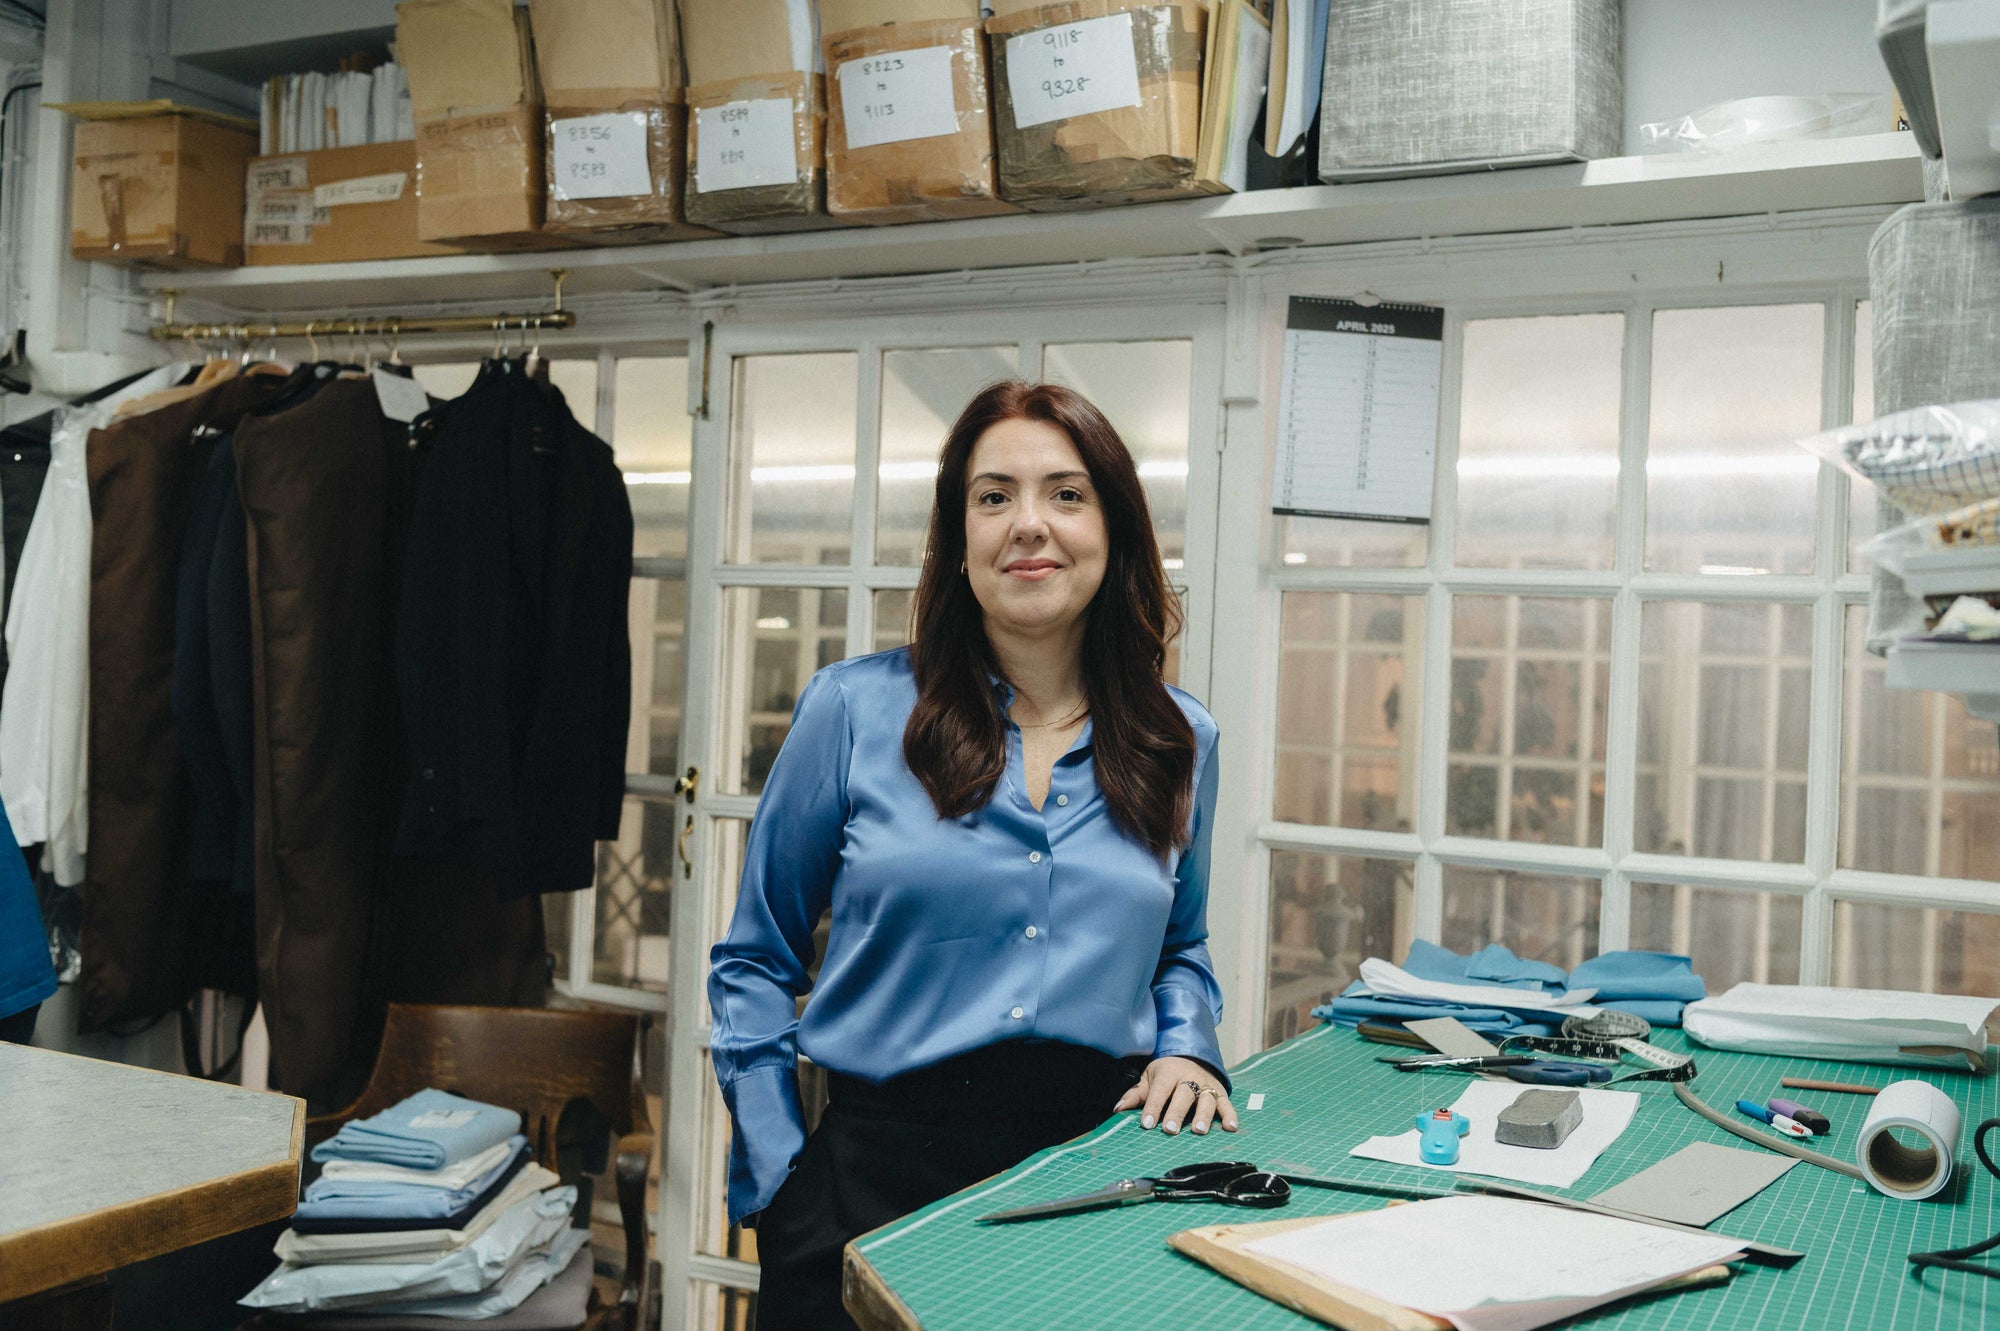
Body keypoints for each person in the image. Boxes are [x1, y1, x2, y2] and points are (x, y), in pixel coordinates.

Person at [709, 381, 1235, 1327]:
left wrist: (1191, 1050)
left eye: (1066, 494)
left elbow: (1180, 948)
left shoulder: (1179, 739)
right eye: (994, 497)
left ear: (1114, 529)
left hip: (1091, 1177)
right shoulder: (851, 711)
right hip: (866, 1189)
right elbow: (753, 960)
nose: (1029, 524)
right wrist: (781, 1175)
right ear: (958, 542)